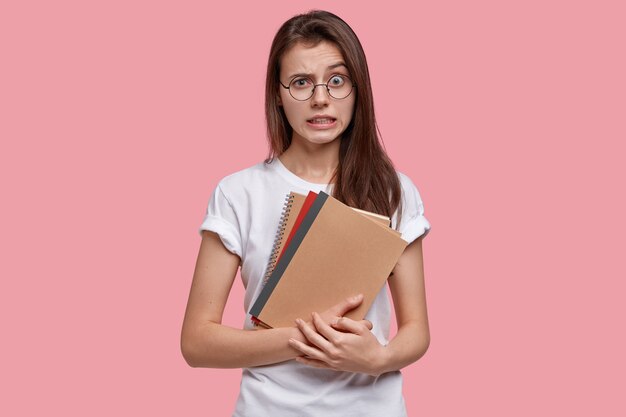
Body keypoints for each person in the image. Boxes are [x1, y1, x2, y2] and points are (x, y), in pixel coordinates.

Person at [181, 10, 431, 417]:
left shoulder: (394, 191)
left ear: (357, 89)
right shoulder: (237, 194)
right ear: (277, 95)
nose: (320, 98)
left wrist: (377, 359)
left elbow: (417, 330)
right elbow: (196, 342)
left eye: (336, 80)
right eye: (301, 82)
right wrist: (307, 338)